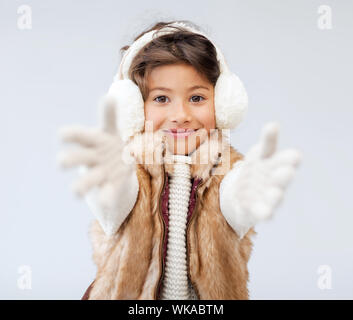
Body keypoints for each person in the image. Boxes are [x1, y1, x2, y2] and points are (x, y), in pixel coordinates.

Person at [57, 20, 302, 300]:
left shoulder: (226, 171)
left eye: (197, 98)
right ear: (134, 108)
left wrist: (249, 187)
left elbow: (235, 201)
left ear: (222, 105)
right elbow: (114, 203)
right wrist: (107, 176)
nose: (181, 114)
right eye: (161, 99)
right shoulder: (131, 168)